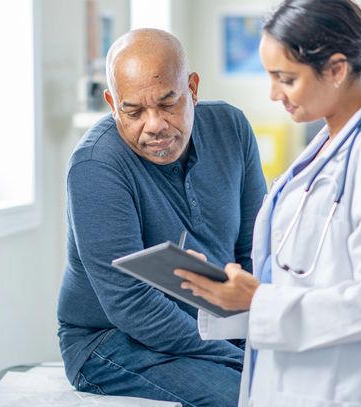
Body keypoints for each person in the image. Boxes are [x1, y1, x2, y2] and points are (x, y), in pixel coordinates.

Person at [174, 1, 361, 406]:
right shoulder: (322, 149)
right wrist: (230, 296)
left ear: (336, 69)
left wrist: (258, 301)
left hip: (349, 388)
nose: (274, 94)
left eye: (286, 79)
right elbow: (296, 281)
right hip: (293, 380)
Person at [56, 28, 267, 407]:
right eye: (133, 111)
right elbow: (130, 302)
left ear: (193, 89)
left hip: (215, 325)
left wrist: (261, 337)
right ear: (112, 104)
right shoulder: (96, 166)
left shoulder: (231, 129)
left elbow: (255, 252)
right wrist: (239, 360)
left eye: (168, 104)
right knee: (250, 397)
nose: (153, 125)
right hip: (111, 340)